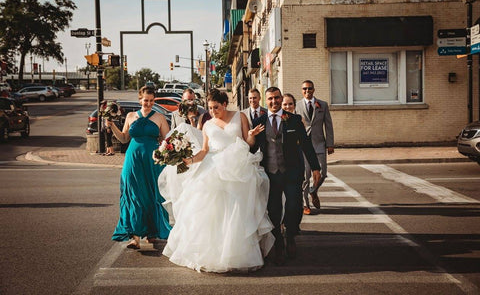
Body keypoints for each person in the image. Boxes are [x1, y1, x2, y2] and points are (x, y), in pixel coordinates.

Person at [162, 88, 274, 273]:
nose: (213, 111)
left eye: (216, 107)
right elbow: (205, 150)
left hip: (238, 166)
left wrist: (252, 136)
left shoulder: (240, 117)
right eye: (210, 108)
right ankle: (211, 253)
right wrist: (187, 161)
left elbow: (248, 144)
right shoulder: (207, 125)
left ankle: (237, 254)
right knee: (209, 210)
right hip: (212, 167)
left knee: (236, 210)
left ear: (224, 104)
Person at [251, 87, 321, 265]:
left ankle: (290, 235)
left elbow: (306, 145)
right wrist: (251, 137)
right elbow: (252, 149)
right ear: (265, 101)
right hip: (271, 173)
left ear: (281, 98)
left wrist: (315, 167)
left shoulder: (294, 120)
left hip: (292, 172)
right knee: (273, 210)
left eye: (276, 98)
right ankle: (279, 244)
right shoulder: (259, 121)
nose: (273, 102)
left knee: (294, 207)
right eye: (270, 99)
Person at [107, 86, 172, 249]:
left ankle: (151, 232)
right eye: (145, 100)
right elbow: (123, 138)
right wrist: (112, 125)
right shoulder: (130, 116)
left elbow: (168, 140)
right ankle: (134, 237)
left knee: (151, 194)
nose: (148, 103)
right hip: (133, 159)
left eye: (151, 101)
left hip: (152, 160)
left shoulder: (159, 117)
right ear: (140, 100)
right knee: (133, 194)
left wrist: (166, 151)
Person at [295, 80, 334, 214]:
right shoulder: (297, 106)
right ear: (302, 90)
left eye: (309, 88)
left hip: (319, 144)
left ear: (314, 89)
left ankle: (313, 191)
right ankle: (306, 204)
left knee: (322, 174)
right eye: (304, 89)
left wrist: (330, 144)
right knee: (305, 176)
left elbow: (328, 125)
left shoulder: (322, 105)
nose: (307, 91)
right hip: (304, 146)